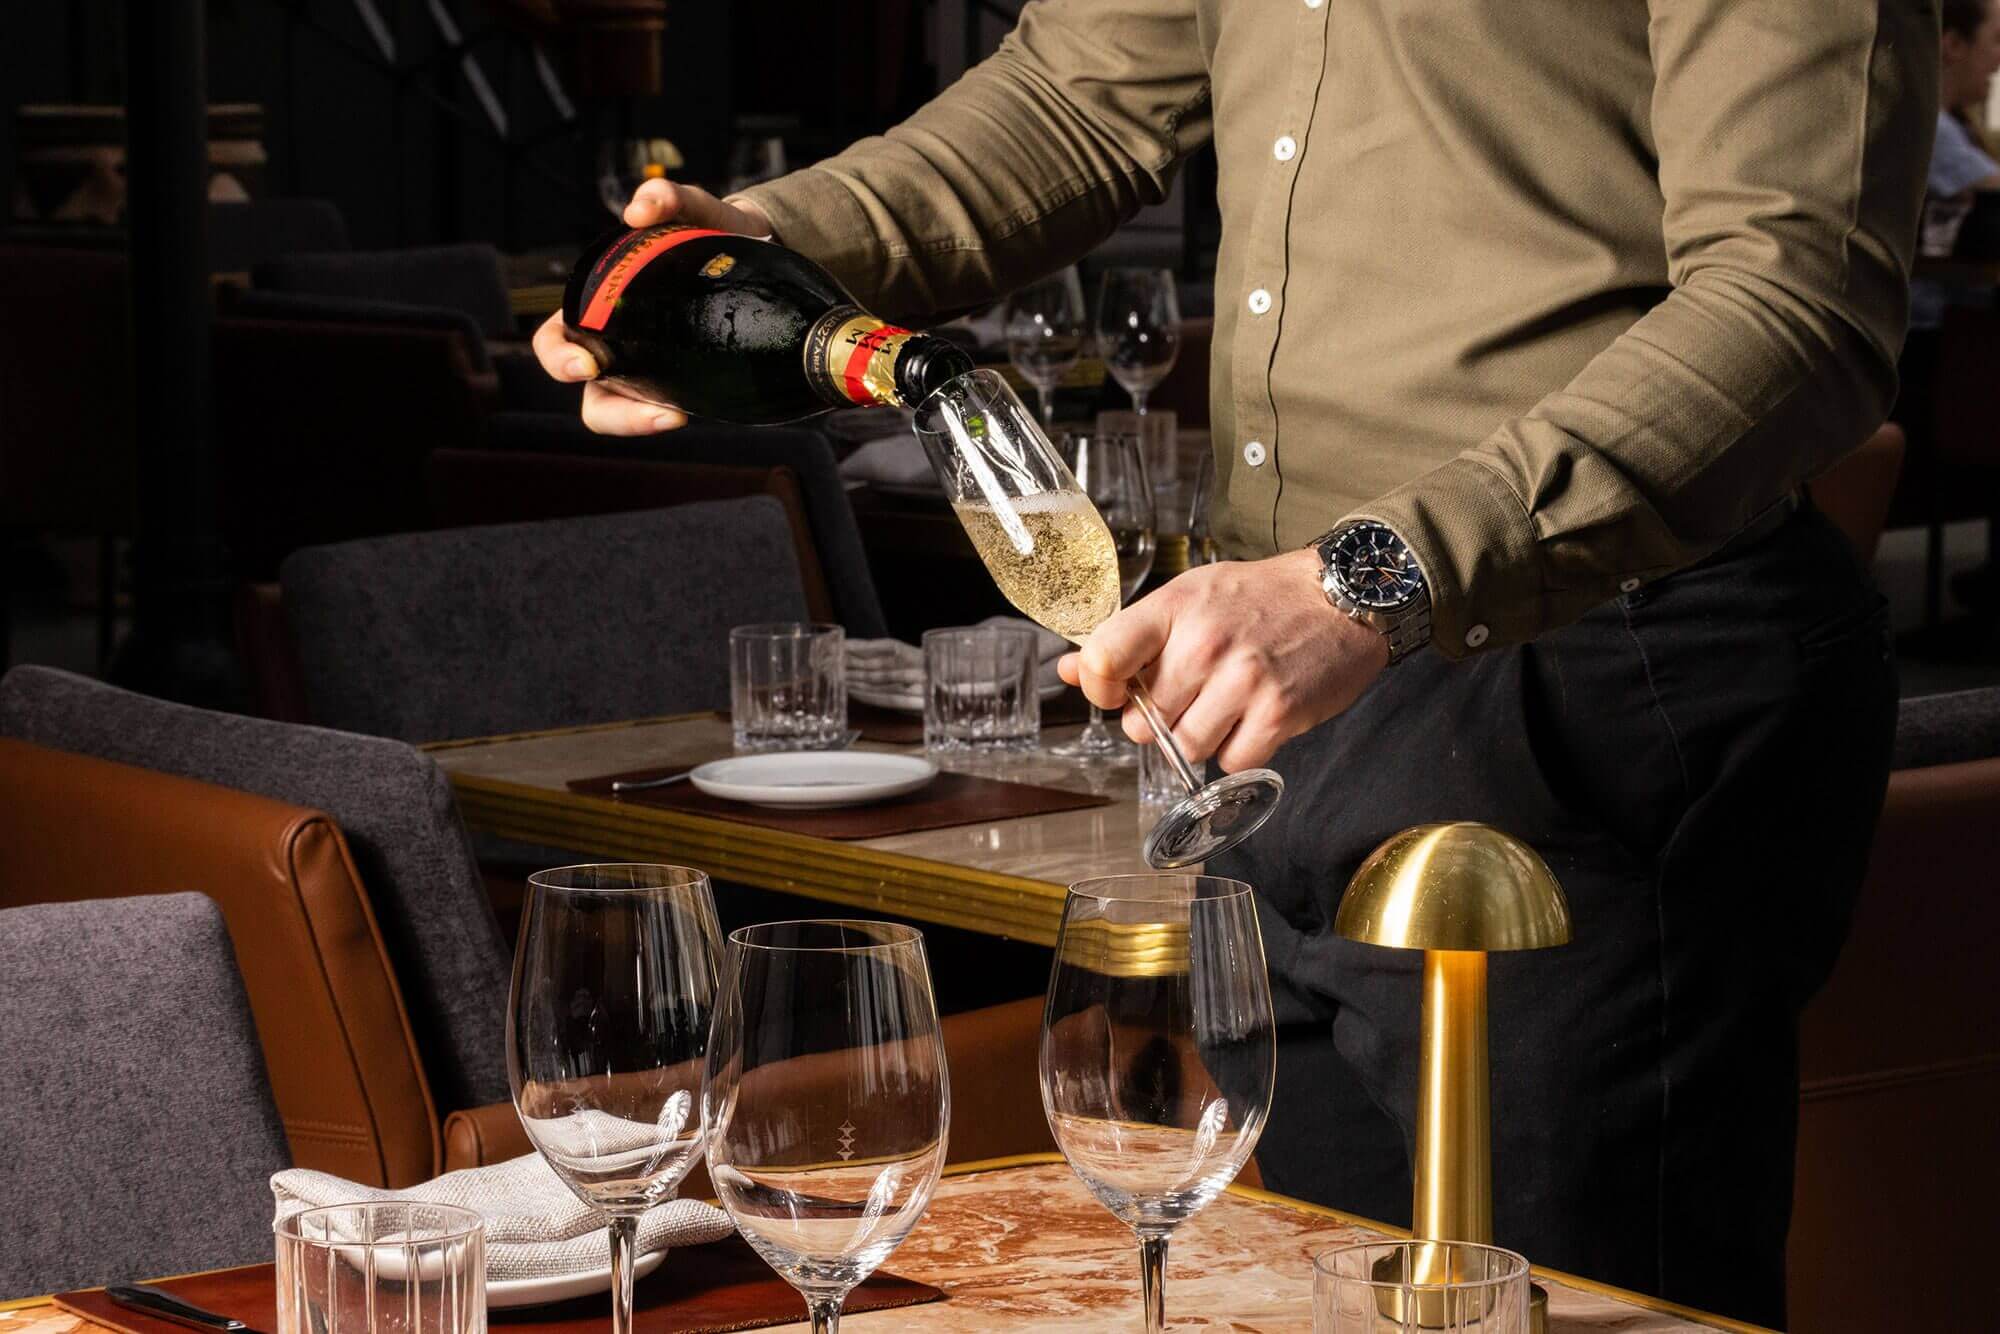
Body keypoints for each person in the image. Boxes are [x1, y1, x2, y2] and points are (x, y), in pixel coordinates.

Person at [535, 3, 1931, 1323]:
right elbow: (1072, 99)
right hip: (1287, 698)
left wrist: (1377, 575)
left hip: (1592, 670)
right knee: (1328, 1295)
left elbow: (1797, 297)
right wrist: (771, 249)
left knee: (1565, 1312)